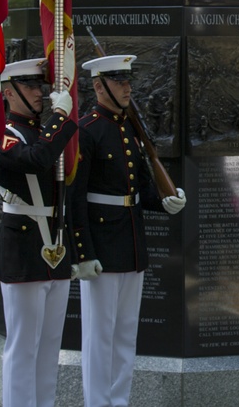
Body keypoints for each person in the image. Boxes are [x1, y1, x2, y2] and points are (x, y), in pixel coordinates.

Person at [71, 54, 188, 407]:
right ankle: (97, 402)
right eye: (119, 81)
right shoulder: (87, 130)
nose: (127, 87)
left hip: (131, 243)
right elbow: (74, 200)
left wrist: (165, 200)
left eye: (128, 80)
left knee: (125, 335)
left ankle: (118, 400)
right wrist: (83, 253)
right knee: (99, 336)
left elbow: (136, 188)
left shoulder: (128, 128)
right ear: (98, 85)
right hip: (102, 248)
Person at [0, 58, 77, 407]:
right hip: (23, 246)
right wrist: (60, 117)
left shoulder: (42, 131)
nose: (39, 92)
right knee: (23, 347)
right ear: (8, 93)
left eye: (39, 85)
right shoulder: (1, 134)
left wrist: (57, 120)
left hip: (55, 242)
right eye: (29, 87)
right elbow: (36, 159)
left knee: (49, 347)